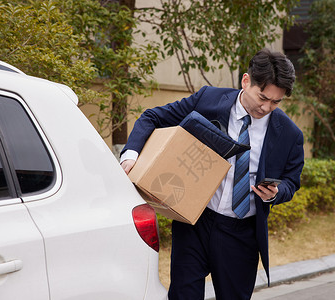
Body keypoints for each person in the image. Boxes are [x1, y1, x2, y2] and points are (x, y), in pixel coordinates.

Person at [120, 48, 304, 300]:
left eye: (276, 102)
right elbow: (152, 117)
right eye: (262, 97)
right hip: (195, 223)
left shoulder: (290, 134)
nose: (266, 107)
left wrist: (276, 192)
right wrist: (131, 155)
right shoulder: (207, 100)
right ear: (246, 80)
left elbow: (292, 182)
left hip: (242, 234)